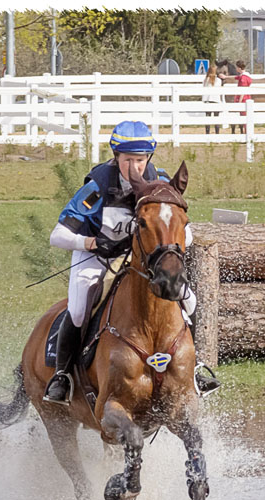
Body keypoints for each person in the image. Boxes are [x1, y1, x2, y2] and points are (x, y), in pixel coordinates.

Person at [44, 120, 221, 404]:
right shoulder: (98, 186)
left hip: (140, 261)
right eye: (128, 160)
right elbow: (58, 235)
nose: (135, 167)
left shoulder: (160, 183)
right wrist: (89, 242)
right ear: (116, 157)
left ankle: (195, 369)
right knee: (78, 310)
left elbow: (183, 230)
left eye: (140, 160)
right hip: (96, 256)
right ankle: (62, 375)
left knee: (188, 300)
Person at [220, 60, 252, 135]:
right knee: (245, 117)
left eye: (237, 68)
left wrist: (239, 101)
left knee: (244, 118)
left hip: (243, 99)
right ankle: (246, 133)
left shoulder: (243, 78)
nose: (236, 70)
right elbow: (236, 77)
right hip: (246, 98)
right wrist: (226, 77)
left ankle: (247, 134)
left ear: (240, 68)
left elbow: (243, 90)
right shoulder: (245, 76)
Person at [203, 64, 222, 135]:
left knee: (208, 118)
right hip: (216, 100)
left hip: (207, 101)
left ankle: (207, 134)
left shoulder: (205, 80)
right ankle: (217, 134)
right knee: (216, 118)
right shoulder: (218, 81)